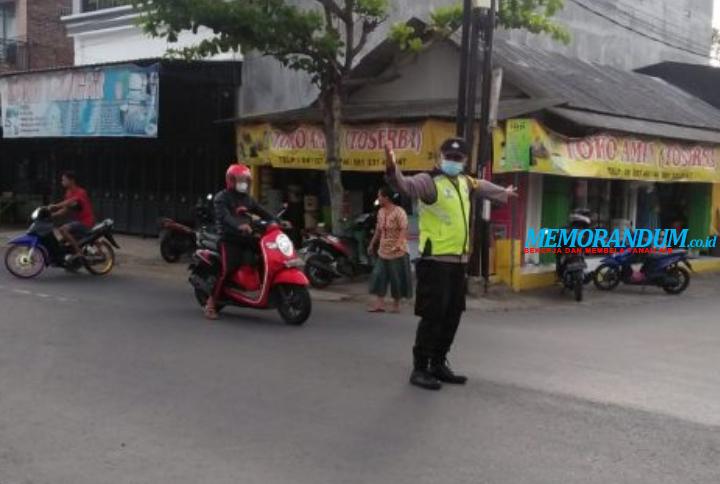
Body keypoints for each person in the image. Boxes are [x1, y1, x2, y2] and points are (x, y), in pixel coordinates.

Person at [385, 138, 517, 391]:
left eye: (458, 159)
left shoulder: (465, 182)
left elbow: (483, 186)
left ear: (465, 161)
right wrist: (392, 170)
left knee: (452, 316)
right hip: (435, 263)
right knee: (433, 316)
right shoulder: (429, 181)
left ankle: (438, 363)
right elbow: (405, 186)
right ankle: (420, 368)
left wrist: (504, 193)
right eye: (449, 157)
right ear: (440, 156)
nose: (453, 162)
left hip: (458, 262)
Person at [204, 163, 277, 320]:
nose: (244, 183)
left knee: (267, 255)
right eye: (240, 180)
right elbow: (225, 217)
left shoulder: (247, 199)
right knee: (228, 268)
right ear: (231, 180)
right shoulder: (221, 198)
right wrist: (239, 225)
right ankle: (211, 303)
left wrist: (277, 221)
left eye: (246, 180)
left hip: (246, 236)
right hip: (228, 238)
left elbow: (262, 211)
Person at [367, 186, 413, 314]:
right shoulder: (380, 212)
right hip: (383, 250)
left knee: (396, 278)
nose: (378, 198)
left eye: (380, 196)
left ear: (386, 198)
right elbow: (378, 230)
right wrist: (372, 244)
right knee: (378, 275)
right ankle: (379, 304)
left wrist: (398, 244)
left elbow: (404, 229)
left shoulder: (399, 211)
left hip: (398, 251)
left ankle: (396, 305)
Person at [49, 171, 96, 261]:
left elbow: (69, 202)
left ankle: (79, 252)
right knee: (62, 240)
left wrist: (55, 206)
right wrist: (51, 215)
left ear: (71, 180)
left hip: (86, 221)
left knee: (62, 229)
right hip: (78, 222)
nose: (62, 181)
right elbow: (65, 209)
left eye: (64, 180)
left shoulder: (81, 192)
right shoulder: (68, 193)